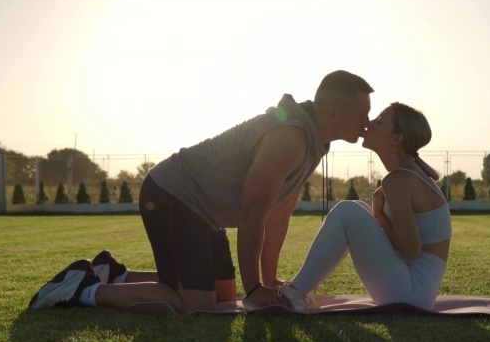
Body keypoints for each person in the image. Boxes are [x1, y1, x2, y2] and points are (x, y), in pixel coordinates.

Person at [29, 70, 373, 313]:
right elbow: (254, 213)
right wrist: (253, 290)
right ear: (333, 113)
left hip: (203, 213)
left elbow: (277, 214)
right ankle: (80, 289)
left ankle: (114, 274)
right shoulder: (291, 137)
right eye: (362, 115)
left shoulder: (313, 142)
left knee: (223, 297)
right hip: (174, 196)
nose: (366, 123)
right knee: (195, 305)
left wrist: (269, 280)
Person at [274, 102, 450, 312]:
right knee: (357, 207)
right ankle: (301, 290)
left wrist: (378, 214)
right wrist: (376, 215)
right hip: (415, 292)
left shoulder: (399, 179)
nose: (369, 123)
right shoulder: (409, 175)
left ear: (397, 139)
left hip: (409, 296)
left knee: (348, 212)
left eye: (379, 121)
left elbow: (411, 249)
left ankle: (294, 294)